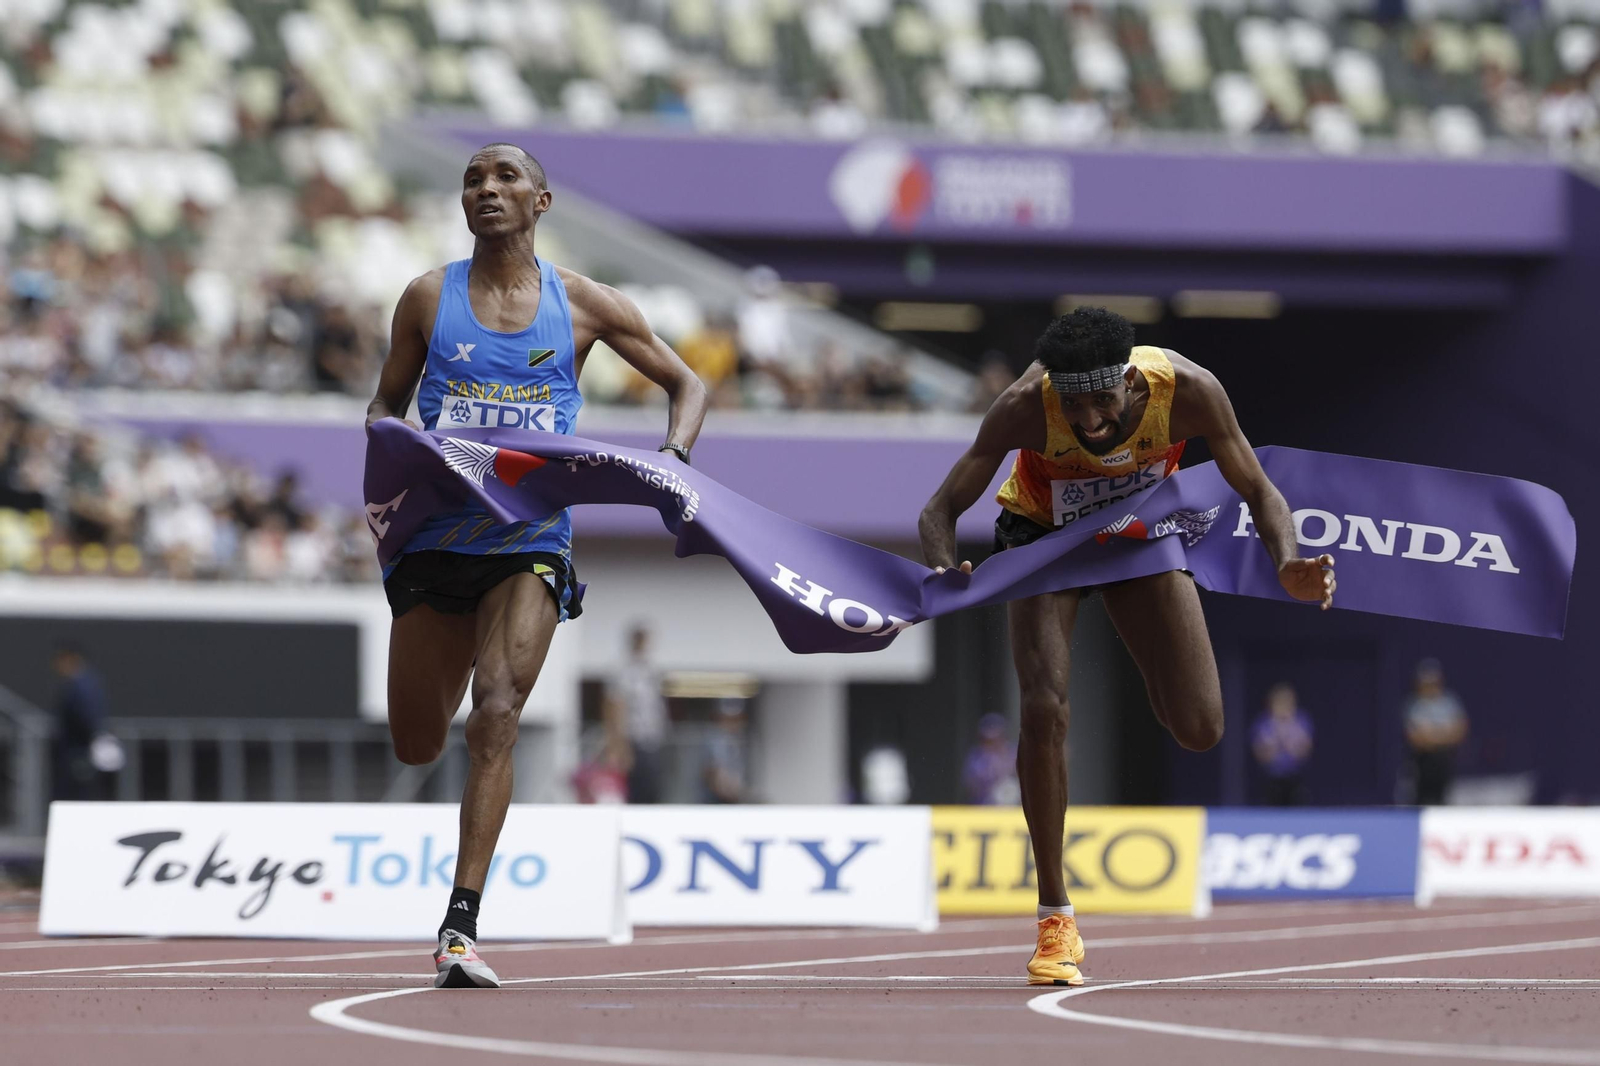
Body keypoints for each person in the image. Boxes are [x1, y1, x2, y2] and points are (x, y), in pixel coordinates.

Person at [365, 143, 708, 989]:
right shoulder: (424, 299)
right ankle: (459, 913)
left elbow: (688, 384)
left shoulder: (584, 305)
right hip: (437, 541)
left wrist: (673, 458)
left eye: (505, 178)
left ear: (541, 202)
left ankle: (459, 929)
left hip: (532, 539)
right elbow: (384, 406)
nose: (486, 189)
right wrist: (397, 452)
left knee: (499, 711)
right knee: (416, 742)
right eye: (474, 180)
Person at [918, 307, 1335, 987]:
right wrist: (942, 573)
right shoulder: (1026, 405)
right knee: (1047, 710)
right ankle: (1056, 918)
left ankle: (1137, 626)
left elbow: (1259, 489)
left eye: (1102, 402)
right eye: (1073, 405)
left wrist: (1287, 560)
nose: (1087, 422)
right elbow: (938, 511)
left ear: (1130, 381)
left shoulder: (1190, 391)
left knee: (1199, 727)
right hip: (1041, 540)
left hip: (1137, 530)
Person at [602, 624, 669, 804]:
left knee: (653, 789)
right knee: (636, 791)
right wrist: (619, 745)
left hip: (652, 739)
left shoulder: (650, 669)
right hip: (633, 739)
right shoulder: (624, 670)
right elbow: (615, 706)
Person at [49, 644, 112, 801]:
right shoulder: (82, 683)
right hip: (77, 749)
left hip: (78, 751)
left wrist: (88, 741)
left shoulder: (82, 685)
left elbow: (88, 717)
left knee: (78, 795)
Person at [1404, 659, 1468, 805]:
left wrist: (1432, 736)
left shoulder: (1449, 702)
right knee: (1421, 798)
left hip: (1445, 760)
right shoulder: (1415, 705)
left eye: (1432, 683)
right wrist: (1442, 735)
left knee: (1444, 799)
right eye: (1425, 683)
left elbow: (1460, 730)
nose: (1429, 687)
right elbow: (1416, 738)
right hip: (1422, 762)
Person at [1251, 683, 1314, 806]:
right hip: (1271, 779)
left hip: (1296, 779)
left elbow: (1305, 750)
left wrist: (1289, 739)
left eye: (1287, 703)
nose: (1283, 707)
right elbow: (1260, 754)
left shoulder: (1301, 721)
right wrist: (1276, 737)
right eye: (1279, 703)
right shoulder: (1264, 724)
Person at [962, 712, 1021, 805]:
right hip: (985, 806)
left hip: (1014, 808)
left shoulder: (1014, 753)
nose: (993, 744)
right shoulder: (977, 756)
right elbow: (971, 786)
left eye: (997, 738)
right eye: (988, 740)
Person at [701, 699, 748, 803]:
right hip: (712, 799)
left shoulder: (741, 741)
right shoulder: (711, 740)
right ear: (720, 719)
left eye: (736, 720)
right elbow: (709, 772)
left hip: (733, 797)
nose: (733, 724)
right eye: (729, 719)